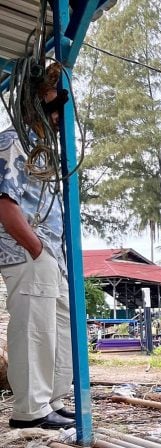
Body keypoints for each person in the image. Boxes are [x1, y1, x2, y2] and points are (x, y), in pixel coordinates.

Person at [0, 66, 74, 429]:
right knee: (33, 329)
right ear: (34, 101)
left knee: (57, 330)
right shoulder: (13, 140)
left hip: (50, 255)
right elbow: (4, 202)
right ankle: (30, 410)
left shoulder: (44, 150)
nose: (59, 114)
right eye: (53, 101)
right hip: (29, 252)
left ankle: (52, 402)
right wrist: (35, 248)